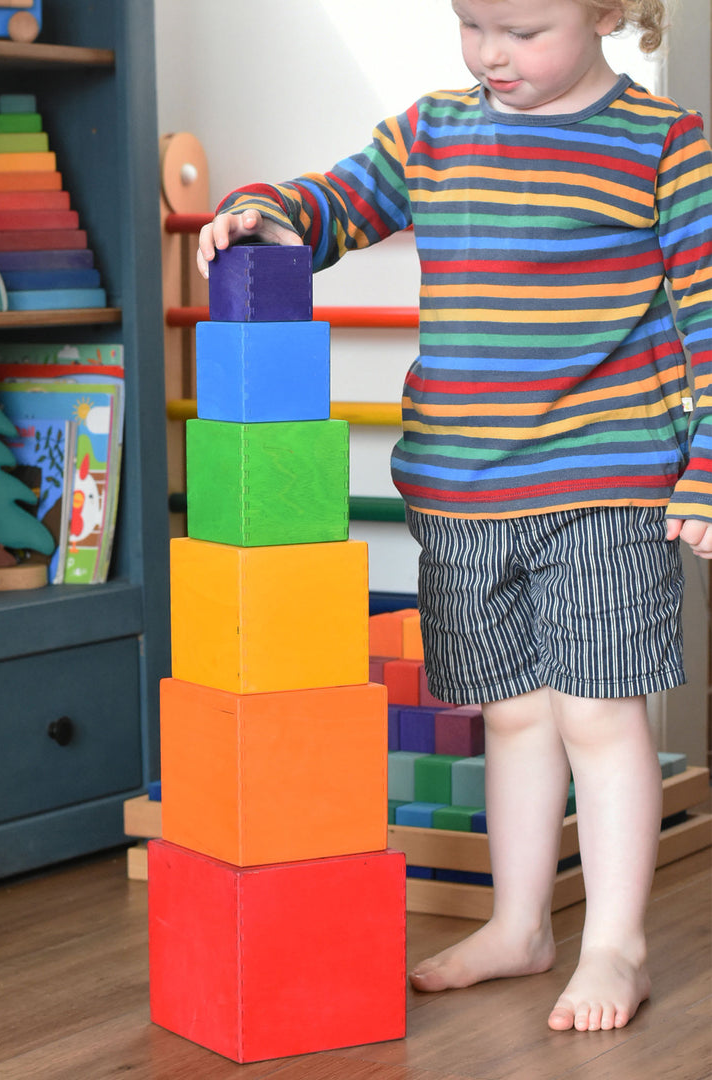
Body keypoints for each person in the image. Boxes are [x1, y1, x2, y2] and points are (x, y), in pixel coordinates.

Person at [196, 0, 712, 1034]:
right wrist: (262, 209)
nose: (493, 54)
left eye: (524, 31)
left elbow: (705, 306)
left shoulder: (665, 142)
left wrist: (703, 463)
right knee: (512, 714)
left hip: (604, 474)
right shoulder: (433, 129)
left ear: (611, 12)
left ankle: (617, 942)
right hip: (464, 484)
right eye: (473, 24)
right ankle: (520, 924)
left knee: (598, 716)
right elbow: (334, 205)